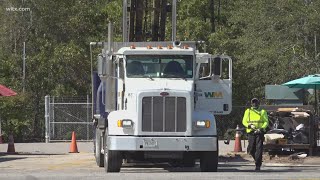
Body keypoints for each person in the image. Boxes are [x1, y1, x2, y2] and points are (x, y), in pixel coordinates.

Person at [242, 98, 269, 171]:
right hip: (251, 132)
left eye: (256, 102)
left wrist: (261, 128)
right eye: (253, 102)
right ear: (251, 103)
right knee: (251, 149)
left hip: (259, 132)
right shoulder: (248, 111)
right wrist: (249, 125)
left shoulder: (262, 111)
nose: (254, 104)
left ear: (258, 103)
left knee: (259, 149)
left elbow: (266, 122)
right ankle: (257, 160)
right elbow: (244, 121)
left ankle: (258, 164)